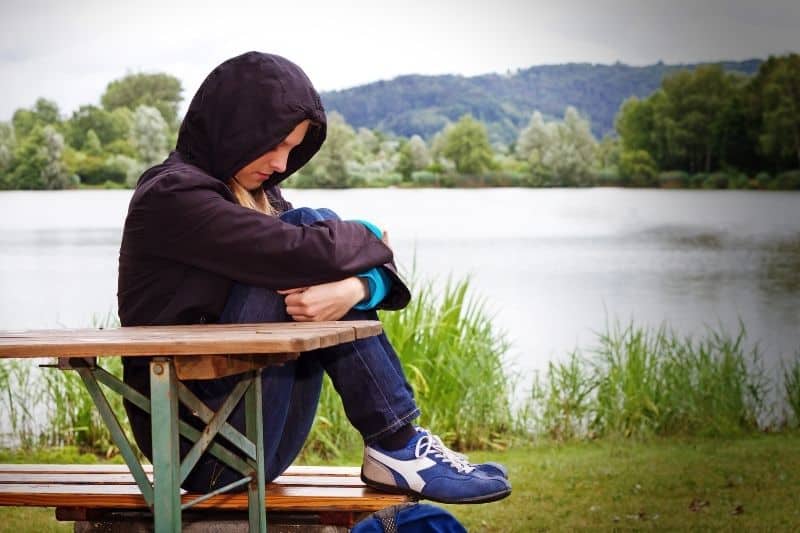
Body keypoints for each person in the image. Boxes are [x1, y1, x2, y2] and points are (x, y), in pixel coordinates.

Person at [117, 51, 510, 505]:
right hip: (196, 449)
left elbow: (322, 256)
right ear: (238, 128)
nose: (282, 164)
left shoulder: (255, 196)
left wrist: (355, 288)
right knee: (308, 223)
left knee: (308, 227)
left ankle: (396, 443)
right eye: (275, 144)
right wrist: (368, 236)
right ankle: (395, 442)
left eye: (292, 148)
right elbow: (300, 251)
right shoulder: (171, 196)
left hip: (266, 441)